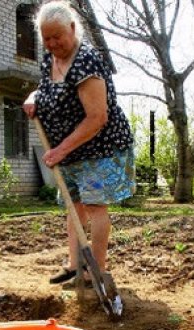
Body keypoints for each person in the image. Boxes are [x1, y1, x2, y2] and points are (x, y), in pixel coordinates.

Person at [23, 0, 135, 285]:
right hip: (69, 152)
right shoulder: (49, 59)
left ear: (72, 29)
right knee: (74, 206)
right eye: (46, 38)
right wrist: (34, 96)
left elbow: (97, 118)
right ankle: (75, 266)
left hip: (99, 148)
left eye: (57, 36)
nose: (51, 43)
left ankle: (94, 272)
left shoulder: (87, 60)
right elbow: (47, 89)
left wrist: (59, 150)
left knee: (95, 206)